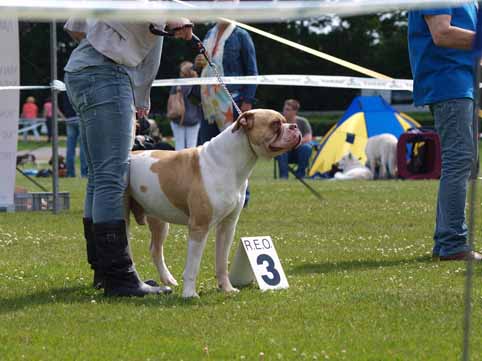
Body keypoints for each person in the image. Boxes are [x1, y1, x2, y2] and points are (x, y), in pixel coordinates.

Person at [63, 17, 193, 297]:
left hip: (80, 70)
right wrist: (174, 22)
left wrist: (104, 41)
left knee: (99, 177)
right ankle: (120, 277)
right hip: (106, 75)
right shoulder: (158, 9)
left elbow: (74, 26)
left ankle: (104, 269)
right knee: (111, 177)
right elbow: (158, 17)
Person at [408, 3, 481, 261]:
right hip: (449, 82)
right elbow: (442, 33)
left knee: (463, 161)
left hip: (463, 83)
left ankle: (446, 241)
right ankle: (452, 243)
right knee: (459, 159)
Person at [195, 9, 258, 206]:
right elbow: (206, 65)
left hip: (233, 101)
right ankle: (206, 192)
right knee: (205, 149)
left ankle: (242, 197)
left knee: (235, 152)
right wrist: (199, 64)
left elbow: (252, 71)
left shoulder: (241, 35)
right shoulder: (208, 34)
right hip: (209, 102)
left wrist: (247, 101)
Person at [169, 61, 202, 150]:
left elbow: (171, 101)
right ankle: (190, 164)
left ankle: (179, 164)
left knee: (179, 146)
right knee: (192, 147)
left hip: (178, 119)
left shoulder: (177, 84)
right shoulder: (198, 84)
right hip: (194, 120)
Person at [276, 99, 313, 179]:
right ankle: (284, 177)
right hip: (284, 151)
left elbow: (308, 138)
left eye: (288, 110)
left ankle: (300, 175)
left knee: (307, 148)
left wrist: (294, 142)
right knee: (281, 151)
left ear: (295, 111)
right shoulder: (279, 123)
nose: (284, 111)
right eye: (284, 109)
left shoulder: (303, 122)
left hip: (299, 151)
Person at [61, 93, 87, 178]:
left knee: (70, 148)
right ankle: (84, 173)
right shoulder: (78, 86)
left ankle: (70, 173)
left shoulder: (65, 89)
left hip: (69, 119)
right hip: (80, 117)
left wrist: (64, 117)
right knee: (83, 148)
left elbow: (58, 105)